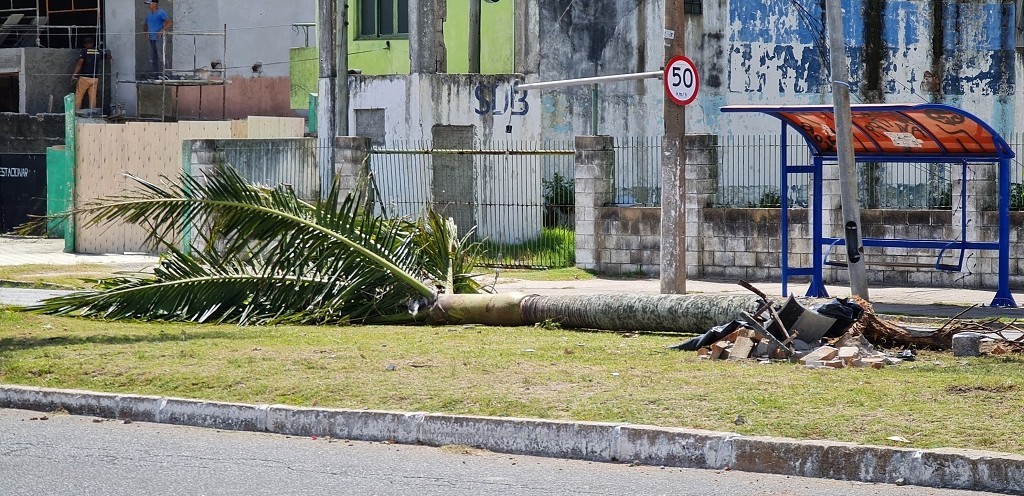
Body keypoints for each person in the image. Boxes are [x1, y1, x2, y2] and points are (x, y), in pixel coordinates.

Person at [71, 37, 107, 112]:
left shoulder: (84, 51)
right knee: (93, 97)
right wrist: (106, 52)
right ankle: (92, 112)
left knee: (79, 95)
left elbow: (79, 64)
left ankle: (76, 112)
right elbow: (108, 57)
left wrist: (74, 75)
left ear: (85, 44)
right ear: (92, 43)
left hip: (84, 77)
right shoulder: (99, 52)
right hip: (94, 79)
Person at [143, 0, 171, 78]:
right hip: (151, 38)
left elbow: (169, 22)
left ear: (155, 4)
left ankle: (166, 73)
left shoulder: (161, 12)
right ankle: (155, 74)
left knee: (161, 56)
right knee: (152, 57)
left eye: (150, 4)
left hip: (159, 38)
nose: (149, 6)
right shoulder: (149, 14)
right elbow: (145, 24)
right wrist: (145, 32)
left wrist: (162, 30)